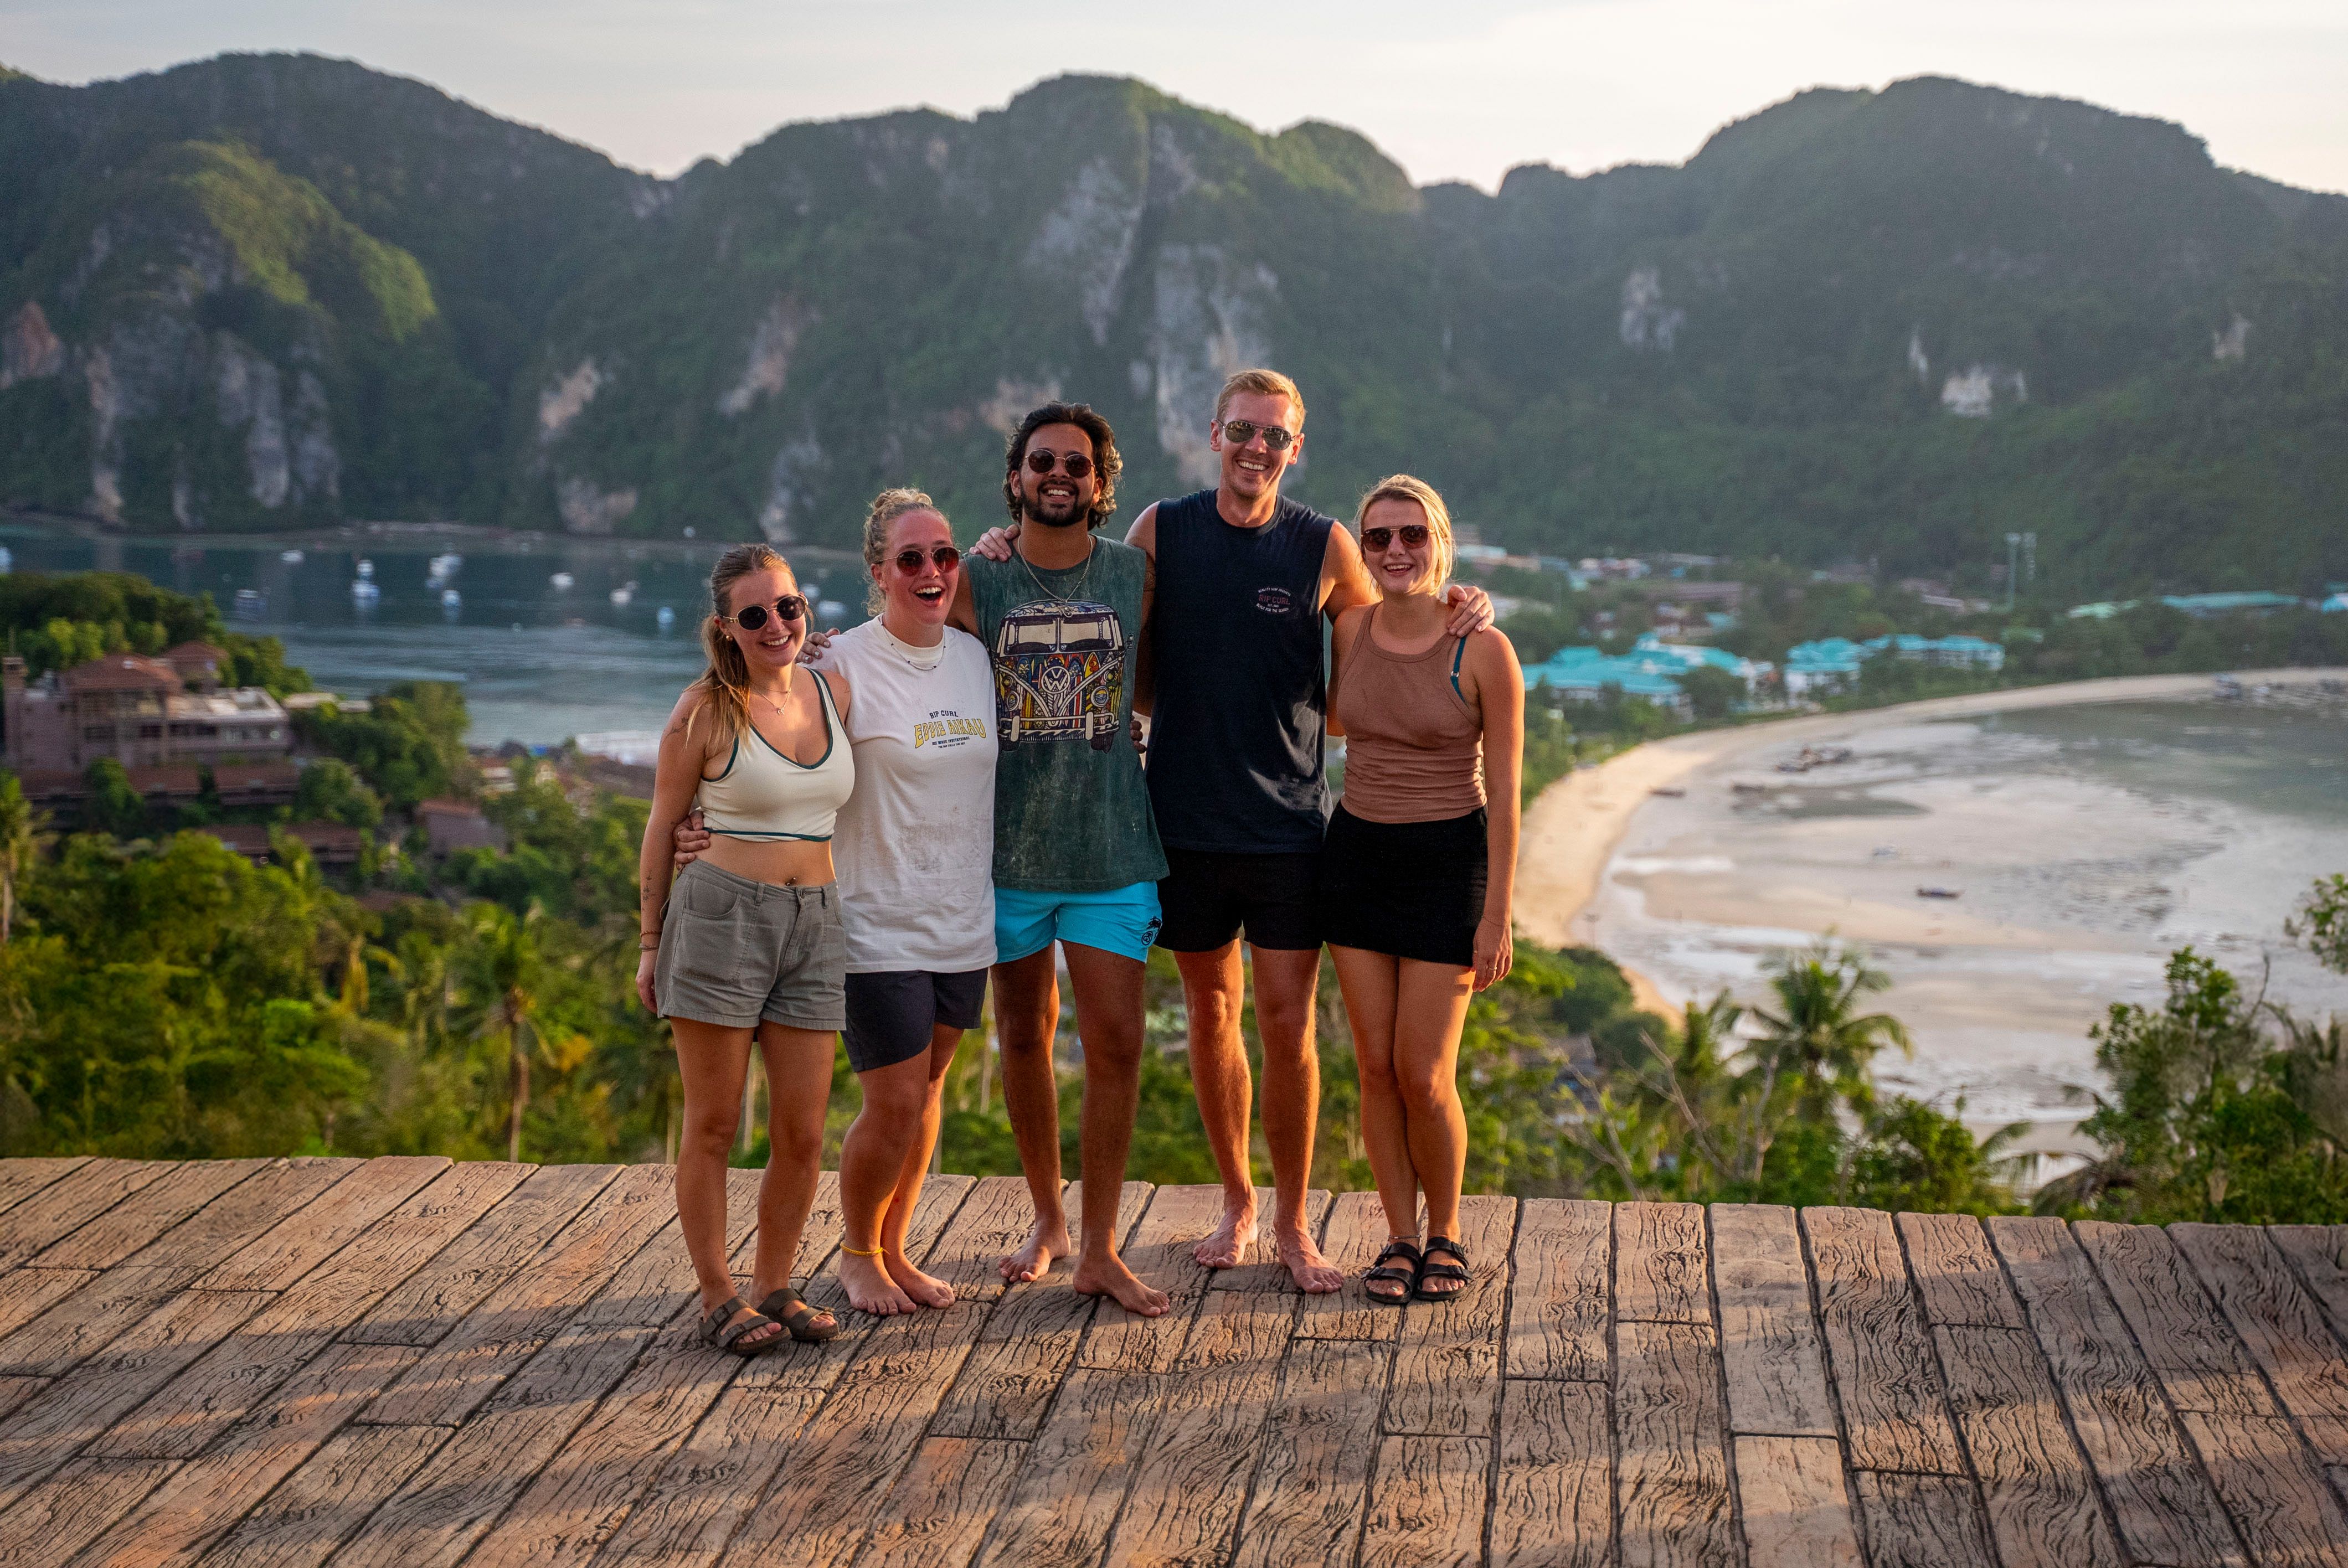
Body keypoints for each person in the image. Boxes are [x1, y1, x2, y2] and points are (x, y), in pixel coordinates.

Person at [975, 368, 1490, 1292]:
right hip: (1181, 825)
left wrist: (1464, 609)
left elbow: (1382, 650)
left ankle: (1293, 1222)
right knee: (1212, 1015)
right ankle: (1238, 1201)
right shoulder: (1161, 531)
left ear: (1297, 449)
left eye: (1275, 437)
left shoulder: (1328, 546)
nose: (1257, 448)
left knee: (1289, 1026)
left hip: (1290, 826)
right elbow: (1105, 631)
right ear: (1215, 435)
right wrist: (1001, 554)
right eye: (1242, 431)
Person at [957, 401, 1170, 1316]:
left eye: (1076, 466)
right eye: (1042, 461)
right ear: (1015, 478)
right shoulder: (973, 580)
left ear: (1099, 482)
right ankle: (1047, 1217)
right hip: (1006, 851)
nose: (1059, 475)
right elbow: (884, 653)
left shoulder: (1134, 574)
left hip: (1113, 845)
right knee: (1024, 1037)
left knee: (1116, 1045)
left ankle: (1099, 1244)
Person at [638, 543, 849, 1354]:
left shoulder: (833, 690)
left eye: (788, 607)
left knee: (802, 1130)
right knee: (716, 1124)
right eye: (754, 615)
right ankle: (718, 1293)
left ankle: (775, 1282)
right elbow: (662, 827)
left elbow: (930, 614)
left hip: (817, 919)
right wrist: (651, 944)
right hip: (722, 916)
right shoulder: (704, 709)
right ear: (726, 628)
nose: (776, 625)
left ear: (806, 610)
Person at [1319, 476, 1522, 1304]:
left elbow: (1507, 794)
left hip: (1450, 864)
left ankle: (1448, 1233)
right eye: (1379, 539)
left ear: (1442, 543)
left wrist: (1498, 914)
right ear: (1364, 552)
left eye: (1412, 536)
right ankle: (1398, 1237)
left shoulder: (1483, 649)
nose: (1396, 551)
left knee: (1425, 1072)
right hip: (1358, 855)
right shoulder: (1351, 631)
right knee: (1374, 1067)